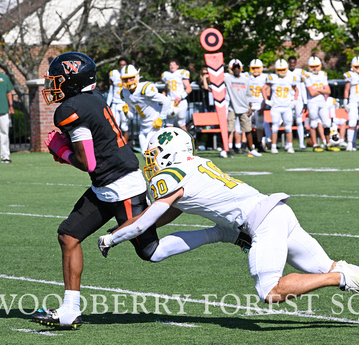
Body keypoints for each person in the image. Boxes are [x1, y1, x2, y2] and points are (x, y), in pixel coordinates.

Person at [98, 127, 359, 327]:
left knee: (271, 291)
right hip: (277, 212)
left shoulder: (172, 176)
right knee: (326, 265)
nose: (151, 161)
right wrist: (125, 230)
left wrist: (114, 237)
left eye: (154, 154)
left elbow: (152, 218)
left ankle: (340, 278)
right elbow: (165, 216)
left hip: (263, 224)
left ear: (170, 152)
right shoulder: (195, 166)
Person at [33, 52, 240, 329]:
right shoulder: (91, 99)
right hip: (105, 184)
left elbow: (87, 162)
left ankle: (222, 232)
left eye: (57, 80)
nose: (53, 86)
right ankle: (70, 311)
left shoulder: (70, 108)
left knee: (151, 252)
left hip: (122, 185)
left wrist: (61, 151)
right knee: (68, 235)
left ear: (72, 79)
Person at [120, 64, 171, 153]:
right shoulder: (125, 93)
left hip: (155, 125)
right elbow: (131, 116)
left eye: (131, 78)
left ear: (136, 76)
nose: (128, 81)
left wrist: (161, 118)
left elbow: (166, 101)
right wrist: (126, 112)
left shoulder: (144, 88)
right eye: (126, 79)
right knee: (145, 154)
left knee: (149, 153)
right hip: (143, 127)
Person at [223, 61, 261, 157]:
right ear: (232, 69)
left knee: (248, 129)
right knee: (229, 129)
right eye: (234, 68)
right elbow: (217, 81)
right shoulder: (228, 79)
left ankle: (251, 149)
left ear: (240, 69)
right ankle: (225, 149)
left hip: (244, 107)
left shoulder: (245, 80)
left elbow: (248, 95)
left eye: (237, 68)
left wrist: (250, 107)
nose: (236, 69)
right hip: (233, 108)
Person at [262, 59, 299, 154]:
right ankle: (273, 147)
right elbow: (263, 88)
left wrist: (294, 101)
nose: (282, 72)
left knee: (288, 127)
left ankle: (290, 146)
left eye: (283, 69)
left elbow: (296, 90)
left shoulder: (291, 78)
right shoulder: (272, 77)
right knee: (275, 127)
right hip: (276, 106)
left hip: (287, 106)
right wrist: (266, 100)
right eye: (280, 70)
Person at [303, 57, 331, 152]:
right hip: (312, 102)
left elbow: (328, 91)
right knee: (313, 123)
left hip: (322, 101)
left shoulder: (323, 74)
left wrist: (318, 90)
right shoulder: (307, 76)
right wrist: (322, 91)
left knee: (327, 123)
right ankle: (315, 144)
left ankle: (328, 144)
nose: (315, 68)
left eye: (316, 66)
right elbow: (311, 93)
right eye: (312, 66)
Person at [162, 59, 192, 130]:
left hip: (180, 102)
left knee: (181, 123)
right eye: (170, 65)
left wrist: (180, 97)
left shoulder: (181, 73)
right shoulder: (166, 75)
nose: (172, 66)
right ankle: (171, 141)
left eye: (174, 65)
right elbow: (166, 89)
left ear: (177, 66)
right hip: (171, 102)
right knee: (169, 124)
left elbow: (189, 89)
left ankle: (186, 140)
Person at [106, 57, 130, 144]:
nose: (121, 67)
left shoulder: (129, 75)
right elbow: (111, 91)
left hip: (124, 104)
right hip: (115, 103)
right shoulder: (114, 74)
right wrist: (108, 104)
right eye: (120, 65)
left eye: (124, 65)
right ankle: (116, 145)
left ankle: (125, 146)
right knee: (114, 126)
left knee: (124, 127)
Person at [287, 56, 308, 150]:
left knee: (299, 121)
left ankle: (301, 143)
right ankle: (289, 143)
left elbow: (303, 87)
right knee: (288, 121)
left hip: (298, 98)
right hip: (288, 99)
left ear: (296, 63)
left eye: (293, 62)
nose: (292, 64)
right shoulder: (284, 72)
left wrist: (305, 101)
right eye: (290, 62)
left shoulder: (300, 72)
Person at [248, 58, 268, 152]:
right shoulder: (246, 76)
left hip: (259, 104)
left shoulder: (265, 77)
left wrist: (264, 106)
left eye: (257, 68)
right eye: (253, 68)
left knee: (259, 126)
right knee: (247, 126)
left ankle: (259, 143)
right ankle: (248, 144)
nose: (255, 70)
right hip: (249, 105)